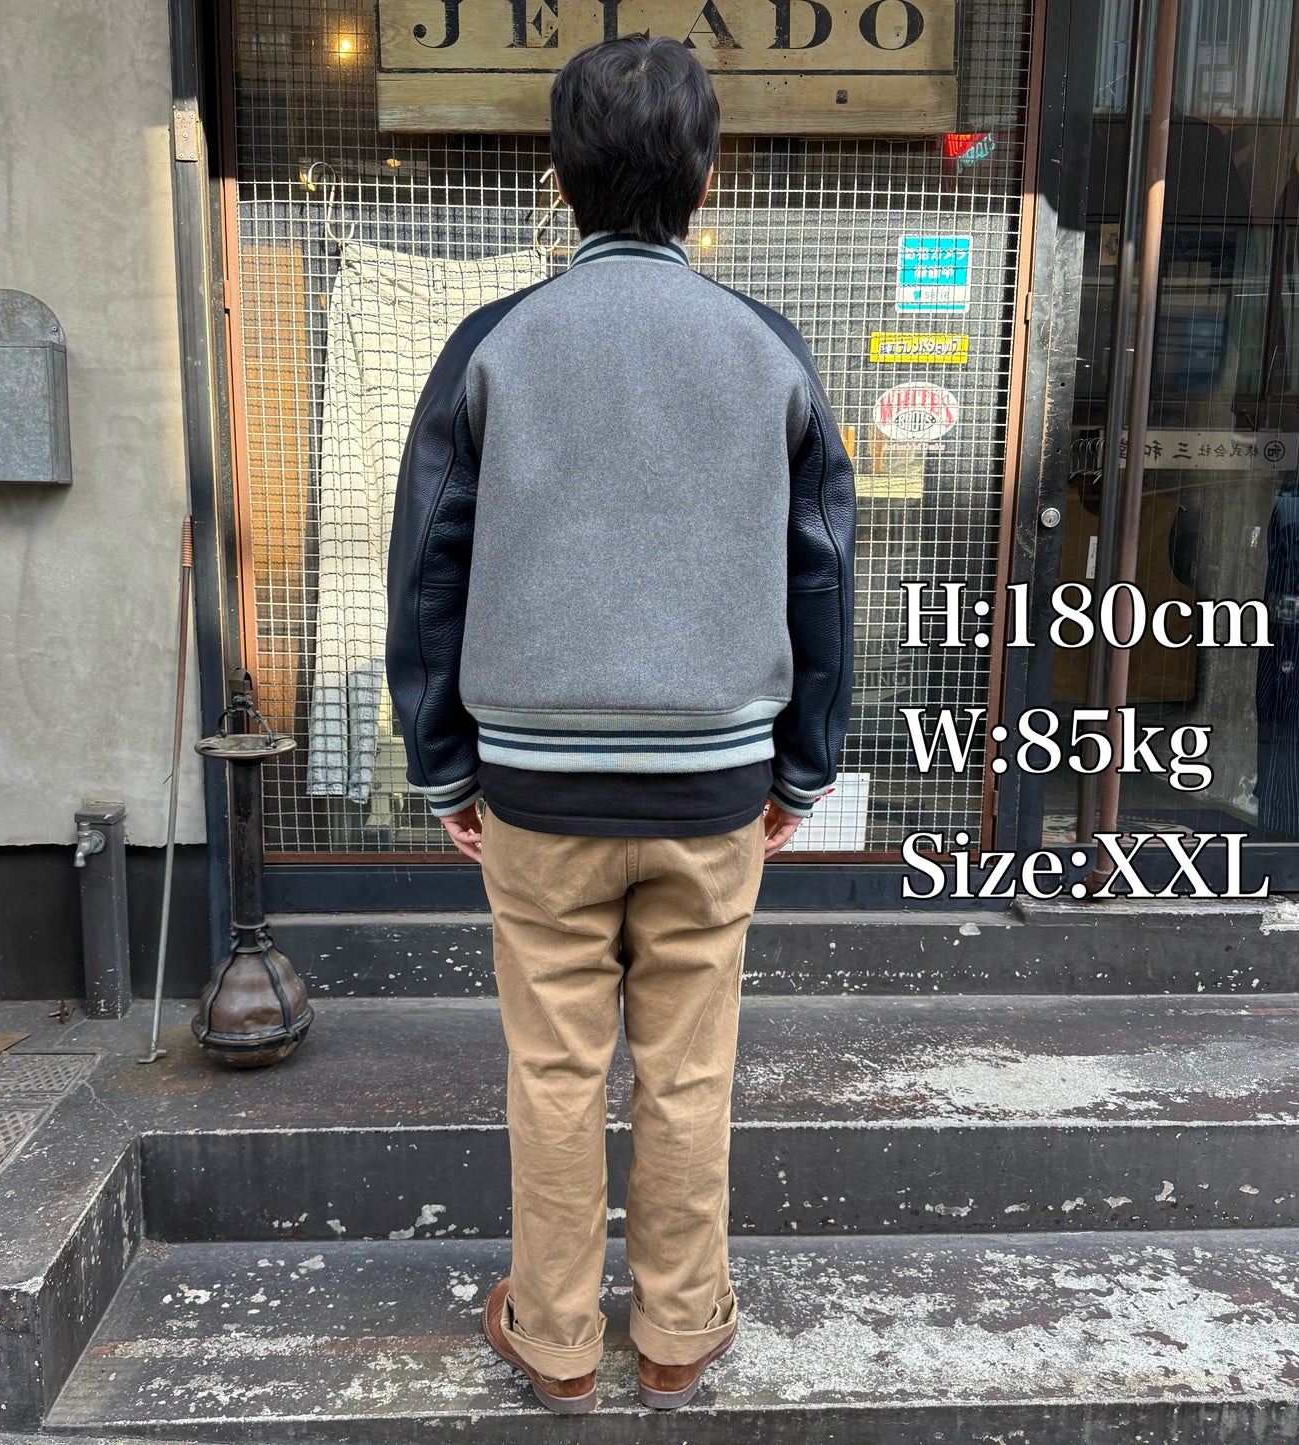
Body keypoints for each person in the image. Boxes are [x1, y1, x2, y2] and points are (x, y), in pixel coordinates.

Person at [385, 34, 854, 1415]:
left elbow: (427, 568)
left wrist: (443, 766)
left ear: (558, 178)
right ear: (708, 179)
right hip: (714, 787)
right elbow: (822, 567)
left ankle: (554, 1342)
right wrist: (802, 770)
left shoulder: (495, 344)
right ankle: (678, 1333)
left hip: (537, 789)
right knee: (689, 1073)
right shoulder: (763, 347)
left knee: (552, 1070)